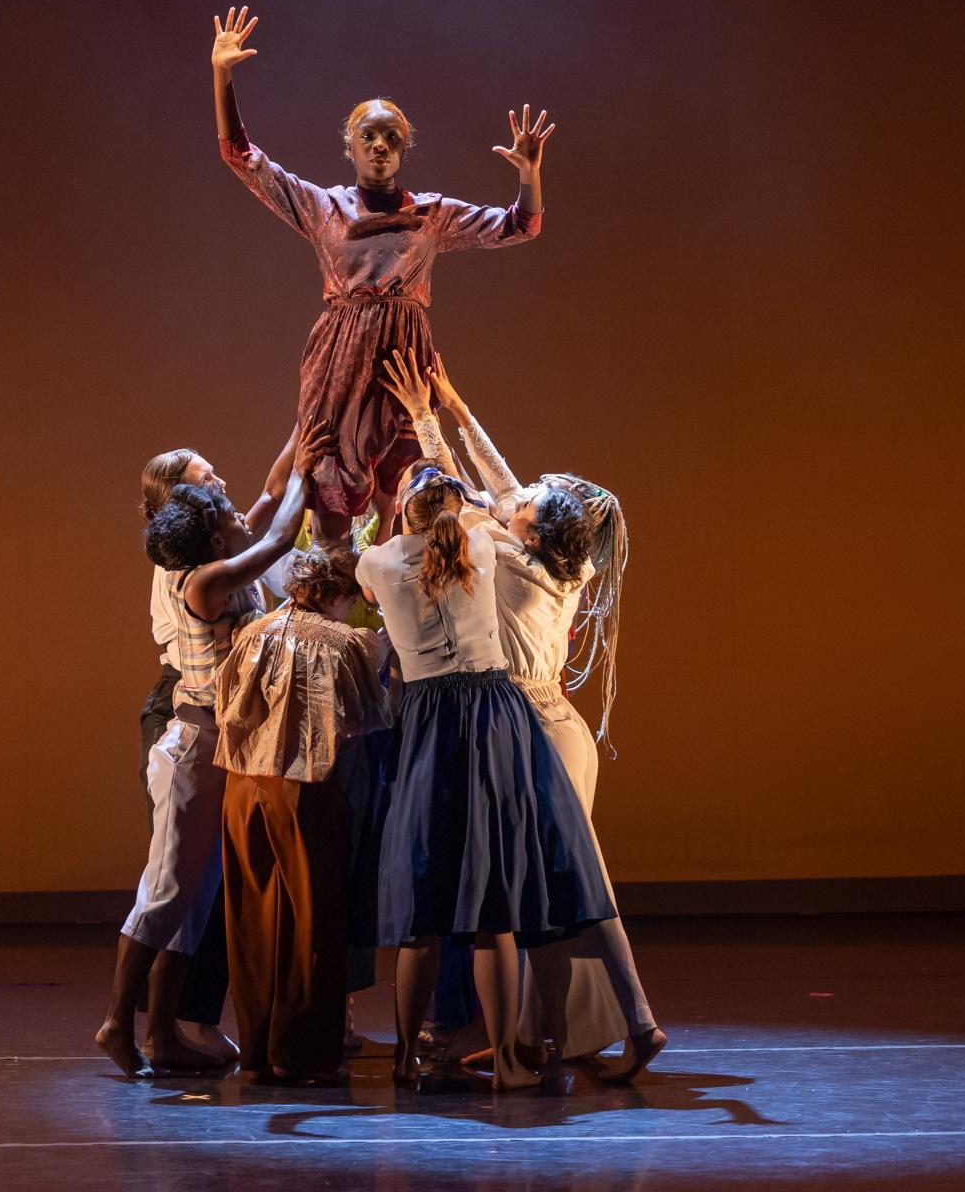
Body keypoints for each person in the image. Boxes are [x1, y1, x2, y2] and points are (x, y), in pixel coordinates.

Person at [381, 354, 666, 1082]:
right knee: (556, 892)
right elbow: (500, 482)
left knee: (558, 889)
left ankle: (629, 1022)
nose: (513, 498)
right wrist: (452, 399)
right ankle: (545, 1035)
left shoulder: (505, 553)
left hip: (526, 727)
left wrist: (426, 423)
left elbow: (461, 499)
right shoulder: (566, 560)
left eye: (526, 504)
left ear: (531, 530)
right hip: (553, 724)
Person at [207, 4, 555, 543]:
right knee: (330, 474)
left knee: (420, 482)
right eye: (369, 136)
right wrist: (222, 75)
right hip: (342, 354)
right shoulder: (323, 207)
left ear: (403, 149)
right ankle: (332, 593)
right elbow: (242, 157)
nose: (380, 146)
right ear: (350, 145)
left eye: (391, 138)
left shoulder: (430, 215)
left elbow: (520, 226)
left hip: (405, 356)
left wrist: (530, 176)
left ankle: (406, 594)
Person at [358, 466, 616, 1091]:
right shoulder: (477, 540)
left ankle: (402, 1058)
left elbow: (378, 577)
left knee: (423, 907)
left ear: (403, 511)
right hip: (492, 714)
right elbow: (494, 506)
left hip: (427, 719)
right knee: (493, 901)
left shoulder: (379, 562)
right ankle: (508, 1061)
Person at [95, 421, 329, 1078]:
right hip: (193, 742)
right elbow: (277, 532)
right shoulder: (198, 580)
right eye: (212, 488)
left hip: (218, 742)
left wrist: (297, 440)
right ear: (197, 519)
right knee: (167, 888)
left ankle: (163, 1032)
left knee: (194, 897)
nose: (228, 495)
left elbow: (260, 508)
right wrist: (306, 479)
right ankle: (118, 1022)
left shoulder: (207, 557)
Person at [215, 547, 392, 1082]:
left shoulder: (252, 632)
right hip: (306, 789)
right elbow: (365, 717)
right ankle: (304, 1054)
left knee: (252, 918)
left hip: (243, 787)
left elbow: (227, 702)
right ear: (338, 592)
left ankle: (258, 1047)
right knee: (315, 918)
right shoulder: (348, 643)